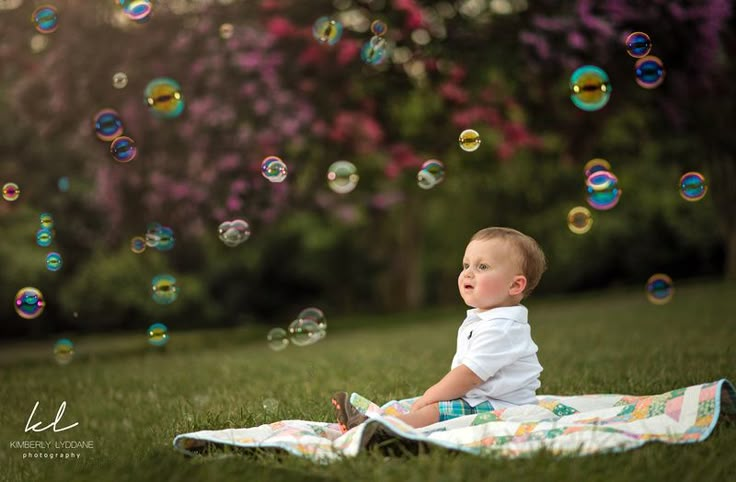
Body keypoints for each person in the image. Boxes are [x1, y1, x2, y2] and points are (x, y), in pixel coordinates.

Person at [332, 227, 547, 431]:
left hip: (504, 406)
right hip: (484, 399)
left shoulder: (503, 329)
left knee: (435, 409)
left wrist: (431, 396)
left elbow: (469, 375)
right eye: (466, 266)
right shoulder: (488, 319)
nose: (468, 274)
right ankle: (381, 419)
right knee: (428, 405)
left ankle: (384, 429)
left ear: (515, 285)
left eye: (482, 267)